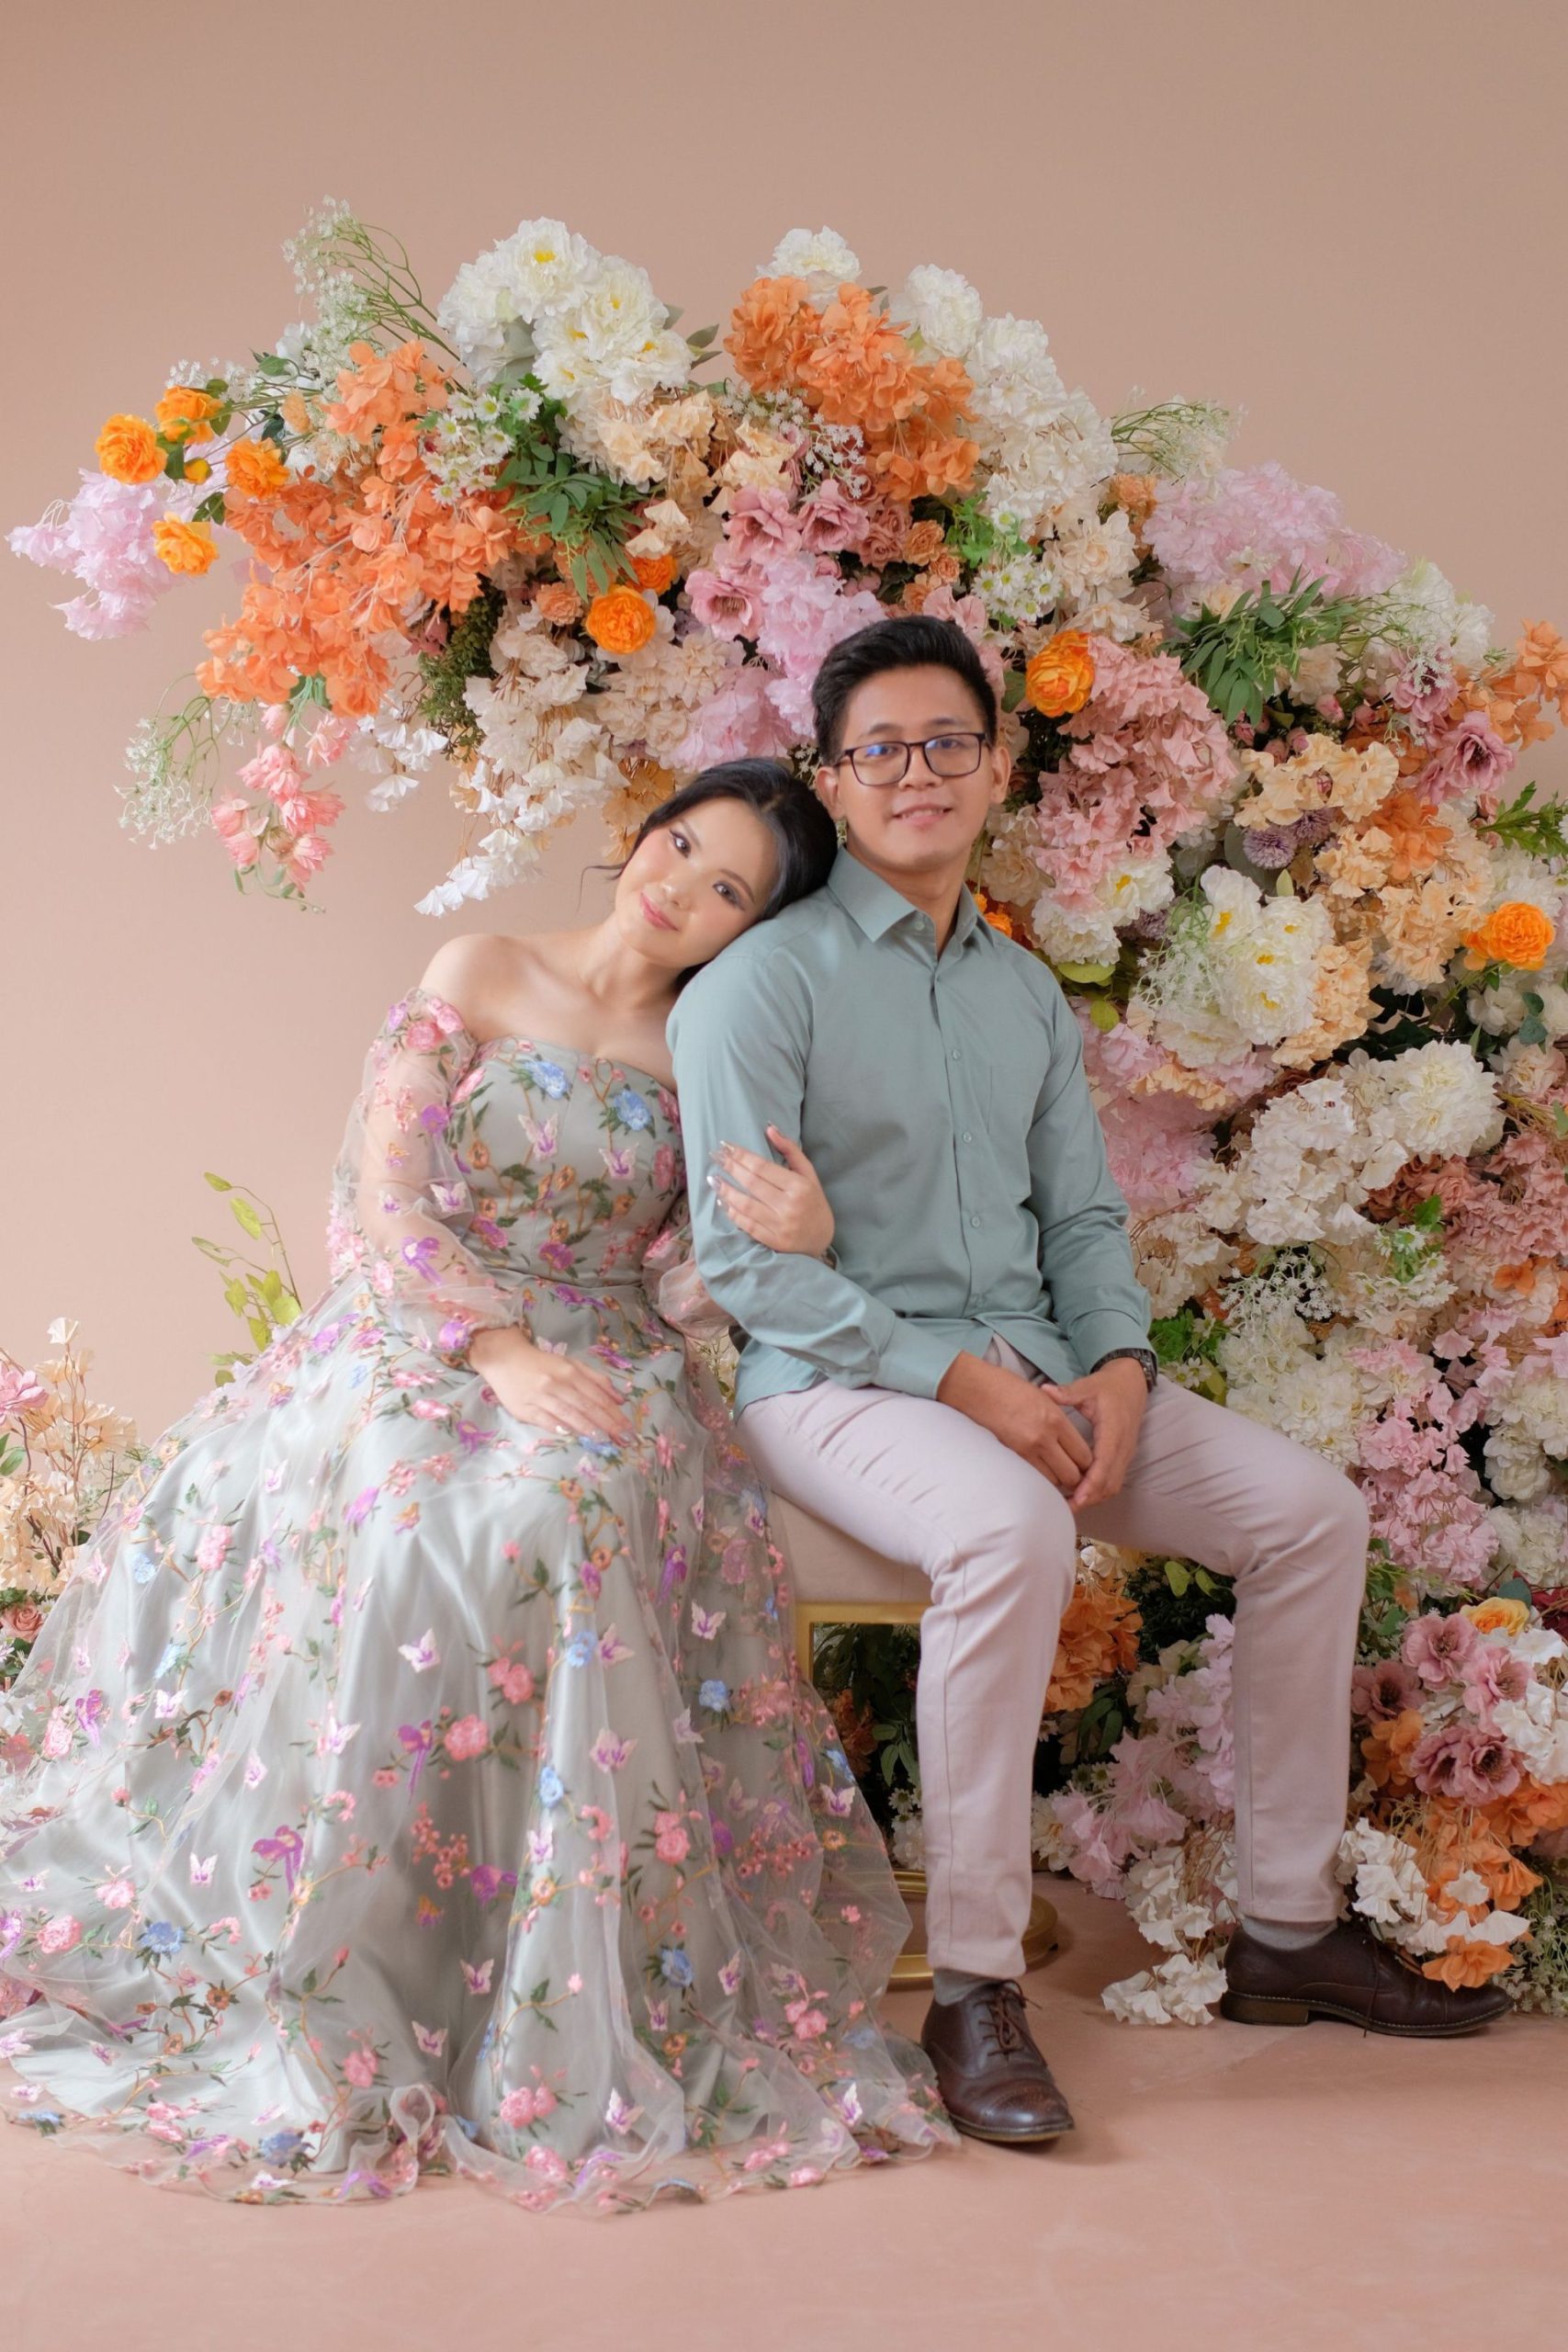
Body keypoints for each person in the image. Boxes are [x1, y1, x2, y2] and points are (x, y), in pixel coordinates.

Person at [0, 758, 954, 2211]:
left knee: (562, 1517)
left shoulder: (709, 1046)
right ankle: (355, 1951)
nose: (679, 888)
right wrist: (494, 1349)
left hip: (613, 1354)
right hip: (421, 1326)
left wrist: (799, 1237)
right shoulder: (482, 966)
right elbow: (381, 1194)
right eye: (679, 845)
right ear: (642, 833)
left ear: (748, 930)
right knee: (407, 1520)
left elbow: (692, 1278)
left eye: (726, 890)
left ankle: (539, 1980)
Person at [671, 616, 1512, 2148]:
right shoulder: (758, 987)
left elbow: (1082, 1221)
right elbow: (750, 1273)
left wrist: (1121, 1366)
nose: (917, 774)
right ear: (831, 781)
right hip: (834, 1383)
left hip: (1047, 1368)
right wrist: (964, 1387)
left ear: (997, 766)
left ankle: (1285, 1929)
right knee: (1011, 1534)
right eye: (879, 750)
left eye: (948, 743)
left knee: (1311, 1512)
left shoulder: (1022, 994)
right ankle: (973, 1991)